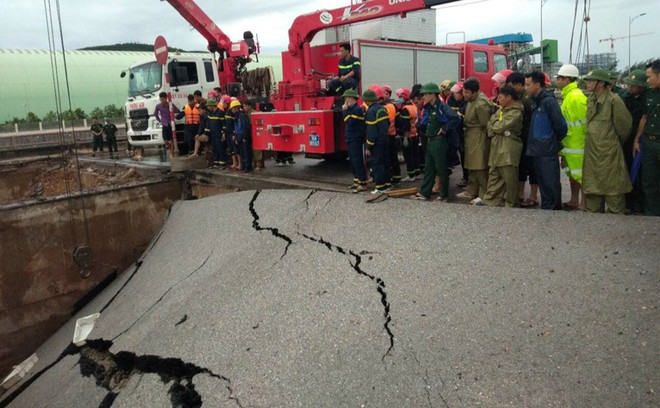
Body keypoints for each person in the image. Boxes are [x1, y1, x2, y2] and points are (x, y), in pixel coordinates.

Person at [582, 68, 633, 214]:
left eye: (592, 80)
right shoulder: (590, 99)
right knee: (593, 195)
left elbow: (625, 127)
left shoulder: (614, 101)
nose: (588, 83)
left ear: (601, 83)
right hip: (592, 154)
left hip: (610, 154)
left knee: (614, 196)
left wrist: (611, 142)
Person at [524, 71, 567, 210]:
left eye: (528, 85)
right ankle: (547, 209)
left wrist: (551, 141)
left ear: (537, 85)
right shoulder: (536, 101)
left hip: (546, 150)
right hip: (537, 149)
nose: (526, 88)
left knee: (550, 182)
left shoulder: (548, 102)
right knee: (543, 182)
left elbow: (561, 126)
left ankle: (553, 211)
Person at [410, 82, 459, 202]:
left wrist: (444, 129)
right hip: (430, 140)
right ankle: (424, 192)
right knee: (429, 168)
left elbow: (455, 118)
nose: (424, 96)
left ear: (433, 94)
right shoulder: (428, 108)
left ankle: (444, 195)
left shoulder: (442, 106)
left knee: (441, 169)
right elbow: (425, 122)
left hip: (439, 142)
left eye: (426, 94)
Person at [482, 86, 523, 207]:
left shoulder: (516, 112)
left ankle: (511, 203)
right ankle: (490, 200)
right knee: (494, 175)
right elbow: (490, 127)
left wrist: (495, 126)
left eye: (500, 97)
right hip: (496, 147)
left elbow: (499, 127)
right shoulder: (501, 111)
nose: (498, 100)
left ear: (509, 97)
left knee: (510, 178)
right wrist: (496, 126)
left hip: (508, 149)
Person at [556, 64, 587, 210]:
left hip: (577, 145)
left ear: (567, 79)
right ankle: (574, 200)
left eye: (559, 78)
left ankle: (584, 202)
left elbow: (585, 122)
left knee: (581, 176)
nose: (557, 80)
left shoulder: (576, 97)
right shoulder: (568, 96)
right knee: (572, 175)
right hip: (570, 144)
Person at [506, 72, 539, 207]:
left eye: (510, 86)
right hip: (520, 137)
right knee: (520, 166)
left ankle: (533, 195)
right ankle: (520, 193)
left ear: (519, 85)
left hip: (529, 136)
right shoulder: (516, 97)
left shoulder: (527, 99)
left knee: (531, 167)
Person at [458, 77, 493, 204]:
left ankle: (484, 194)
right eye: (463, 91)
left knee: (480, 166)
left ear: (475, 92)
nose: (464, 94)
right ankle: (471, 189)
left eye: (467, 92)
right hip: (471, 134)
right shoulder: (471, 100)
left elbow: (485, 124)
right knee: (471, 166)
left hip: (479, 135)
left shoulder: (481, 104)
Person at [633, 60, 660, 216]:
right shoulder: (650, 94)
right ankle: (652, 214)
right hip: (649, 142)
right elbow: (644, 117)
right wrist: (637, 139)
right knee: (649, 181)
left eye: (650, 77)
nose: (647, 80)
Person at [622, 69, 648, 213]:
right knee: (627, 168)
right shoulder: (626, 97)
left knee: (640, 172)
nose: (630, 87)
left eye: (634, 85)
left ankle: (640, 205)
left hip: (641, 138)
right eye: (629, 84)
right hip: (628, 137)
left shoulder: (647, 98)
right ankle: (628, 202)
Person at [363, 89, 389, 194]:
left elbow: (372, 130)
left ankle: (380, 187)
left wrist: (369, 146)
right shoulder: (383, 109)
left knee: (377, 164)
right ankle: (386, 184)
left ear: (367, 101)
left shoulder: (370, 112)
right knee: (384, 163)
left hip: (376, 143)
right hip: (385, 140)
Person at [341, 89, 367, 191]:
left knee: (357, 160)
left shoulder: (356, 109)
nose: (345, 100)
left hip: (356, 138)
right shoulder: (352, 109)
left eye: (346, 98)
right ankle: (356, 181)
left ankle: (362, 182)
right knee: (352, 160)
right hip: (351, 138)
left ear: (351, 98)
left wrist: (344, 110)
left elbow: (350, 122)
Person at [396, 88, 421, 181]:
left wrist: (405, 137)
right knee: (415, 154)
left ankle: (411, 175)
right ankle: (417, 173)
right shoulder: (414, 106)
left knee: (408, 155)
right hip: (415, 135)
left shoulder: (405, 109)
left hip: (408, 136)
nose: (398, 98)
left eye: (400, 97)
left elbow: (406, 125)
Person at [448, 81, 468, 187]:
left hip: (465, 135)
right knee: (462, 156)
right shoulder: (454, 102)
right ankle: (466, 177)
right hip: (458, 134)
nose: (455, 95)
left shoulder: (466, 104)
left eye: (457, 93)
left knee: (466, 157)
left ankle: (467, 178)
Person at [381, 85, 401, 185]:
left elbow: (397, 120)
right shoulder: (391, 106)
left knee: (390, 157)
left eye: (386, 93)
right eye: (383, 93)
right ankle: (395, 176)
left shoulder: (389, 107)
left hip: (389, 135)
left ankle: (394, 177)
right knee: (392, 156)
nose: (384, 95)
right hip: (390, 134)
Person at [153, 91, 180, 157]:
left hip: (171, 124)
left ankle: (172, 152)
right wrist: (160, 120)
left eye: (163, 99)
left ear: (166, 98)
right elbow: (155, 114)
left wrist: (172, 109)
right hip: (164, 124)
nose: (161, 101)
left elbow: (177, 111)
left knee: (172, 139)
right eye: (160, 99)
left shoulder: (170, 104)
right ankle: (171, 148)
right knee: (165, 140)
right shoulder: (158, 106)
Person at [204, 99, 226, 169]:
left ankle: (222, 163)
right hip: (212, 134)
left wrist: (223, 133)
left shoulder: (220, 113)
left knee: (220, 148)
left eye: (208, 106)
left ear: (212, 106)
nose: (207, 108)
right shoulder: (210, 114)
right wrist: (206, 134)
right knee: (214, 148)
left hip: (218, 134)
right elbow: (208, 125)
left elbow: (223, 124)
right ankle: (216, 163)